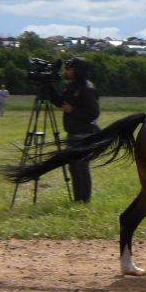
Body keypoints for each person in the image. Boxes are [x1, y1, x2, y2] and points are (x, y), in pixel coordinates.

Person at [41, 59, 101, 203]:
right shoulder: (72, 86)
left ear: (77, 70)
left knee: (81, 166)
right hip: (73, 134)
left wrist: (73, 110)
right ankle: (77, 200)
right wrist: (49, 86)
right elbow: (60, 102)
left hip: (85, 134)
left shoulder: (87, 88)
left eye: (69, 69)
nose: (66, 72)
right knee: (73, 167)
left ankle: (85, 201)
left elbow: (94, 113)